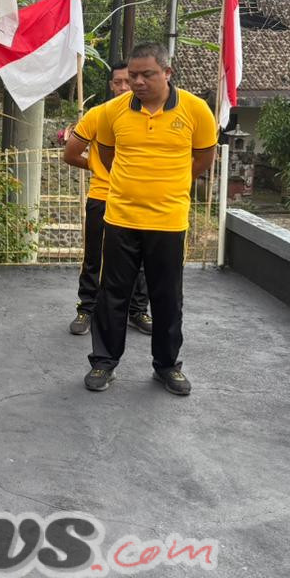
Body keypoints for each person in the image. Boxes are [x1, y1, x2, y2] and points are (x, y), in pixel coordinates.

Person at [73, 41, 217, 397]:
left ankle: (167, 365)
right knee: (112, 295)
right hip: (121, 217)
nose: (137, 81)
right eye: (132, 75)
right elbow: (105, 154)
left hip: (169, 221)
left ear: (167, 73)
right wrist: (132, 188)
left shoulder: (196, 110)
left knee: (167, 297)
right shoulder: (113, 111)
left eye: (147, 74)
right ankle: (103, 363)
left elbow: (203, 157)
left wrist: (169, 188)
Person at [63, 62, 153, 337]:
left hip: (140, 199)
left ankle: (137, 310)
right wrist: (96, 166)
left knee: (141, 259)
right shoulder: (99, 114)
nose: (124, 87)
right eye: (118, 82)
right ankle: (87, 308)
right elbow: (70, 153)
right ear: (111, 85)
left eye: (129, 81)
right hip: (103, 196)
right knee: (94, 258)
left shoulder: (151, 117)